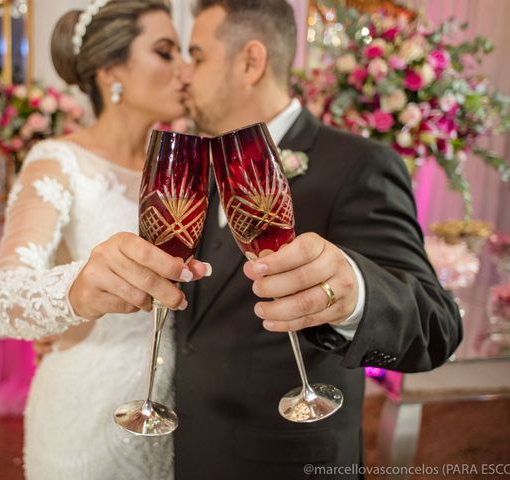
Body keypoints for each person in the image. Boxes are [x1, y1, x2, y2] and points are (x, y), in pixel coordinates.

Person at [169, 1, 462, 479]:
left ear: (250, 61)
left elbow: (436, 328)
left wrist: (354, 296)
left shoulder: (358, 165)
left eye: (197, 56)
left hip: (287, 463)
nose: (184, 75)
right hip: (190, 453)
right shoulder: (197, 168)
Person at [0, 1, 209, 478]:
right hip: (85, 409)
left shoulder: (184, 160)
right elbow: (1, 296)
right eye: (165, 52)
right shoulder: (59, 161)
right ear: (111, 72)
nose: (184, 70)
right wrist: (76, 293)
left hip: (178, 409)